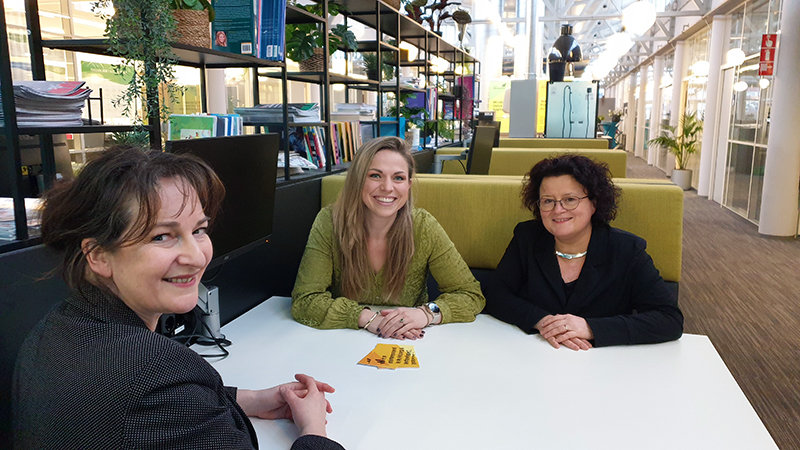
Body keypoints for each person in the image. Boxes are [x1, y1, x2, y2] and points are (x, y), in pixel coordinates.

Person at [13, 146, 344, 450]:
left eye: (199, 230)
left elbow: (143, 410)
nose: (197, 257)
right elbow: (152, 394)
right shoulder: (156, 370)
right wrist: (313, 428)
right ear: (98, 255)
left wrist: (250, 399)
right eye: (162, 236)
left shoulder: (52, 332)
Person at [292, 136, 484, 340]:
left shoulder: (423, 227)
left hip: (410, 343)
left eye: (398, 178)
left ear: (409, 184)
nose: (387, 187)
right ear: (357, 180)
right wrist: (369, 319)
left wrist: (425, 314)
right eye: (375, 175)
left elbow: (470, 295)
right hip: (343, 342)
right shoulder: (329, 222)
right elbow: (305, 300)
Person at [484, 154, 683, 350]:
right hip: (534, 356)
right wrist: (541, 320)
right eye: (547, 201)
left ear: (594, 203)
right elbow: (495, 293)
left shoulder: (626, 250)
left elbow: (669, 319)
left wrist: (591, 328)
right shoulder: (527, 237)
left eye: (570, 199)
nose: (558, 209)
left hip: (603, 364)